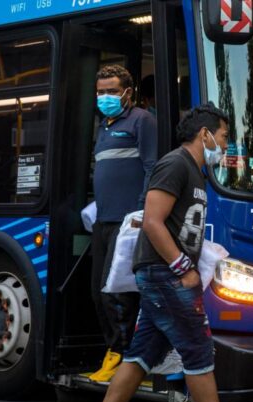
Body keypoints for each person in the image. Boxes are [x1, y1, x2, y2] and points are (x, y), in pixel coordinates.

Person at [73, 103, 253, 402]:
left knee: (140, 356)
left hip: (165, 276)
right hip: (167, 275)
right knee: (197, 351)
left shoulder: (194, 171)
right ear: (204, 134)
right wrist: (184, 267)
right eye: (224, 136)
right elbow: (152, 220)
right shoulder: (175, 164)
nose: (225, 145)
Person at [89, 65, 157, 382]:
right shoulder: (104, 126)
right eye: (101, 91)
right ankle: (116, 352)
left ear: (128, 92)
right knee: (96, 290)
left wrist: (143, 212)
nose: (105, 97)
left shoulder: (142, 120)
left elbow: (151, 167)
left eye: (112, 91)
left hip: (128, 222)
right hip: (102, 221)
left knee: (115, 292)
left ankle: (124, 356)